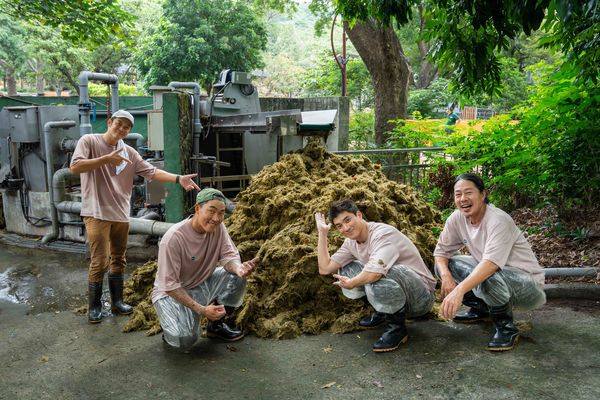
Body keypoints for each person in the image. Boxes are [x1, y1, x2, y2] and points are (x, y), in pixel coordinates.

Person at [70, 109, 200, 324]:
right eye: (118, 124)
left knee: (119, 259)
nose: (121, 129)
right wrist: (106, 159)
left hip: (120, 212)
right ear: (110, 122)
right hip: (96, 212)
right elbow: (75, 167)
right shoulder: (89, 141)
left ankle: (117, 302)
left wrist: (178, 179)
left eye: (127, 127)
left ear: (130, 130)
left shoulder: (129, 152)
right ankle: (94, 307)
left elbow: (151, 172)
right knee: (100, 261)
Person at [434, 173, 546, 351]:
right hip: (496, 276)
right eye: (458, 194)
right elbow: (440, 252)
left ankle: (506, 328)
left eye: (468, 192)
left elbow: (491, 265)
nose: (463, 199)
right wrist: (446, 277)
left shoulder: (498, 220)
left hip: (527, 285)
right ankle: (482, 310)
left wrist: (458, 291)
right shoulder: (456, 218)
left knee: (486, 275)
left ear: (483, 194)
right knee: (446, 266)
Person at [315, 200, 436, 353]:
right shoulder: (350, 243)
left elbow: (374, 273)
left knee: (377, 272)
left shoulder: (382, 234)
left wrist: (352, 283)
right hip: (399, 291)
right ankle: (384, 311)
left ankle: (397, 329)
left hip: (421, 299)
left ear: (359, 215)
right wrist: (322, 234)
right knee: (348, 267)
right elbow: (325, 268)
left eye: (348, 220)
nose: (345, 228)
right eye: (339, 226)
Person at [152, 187, 259, 352]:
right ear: (197, 208)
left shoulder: (219, 228)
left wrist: (238, 269)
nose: (216, 218)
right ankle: (171, 330)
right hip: (171, 294)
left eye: (222, 213)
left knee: (238, 276)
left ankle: (216, 326)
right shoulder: (174, 238)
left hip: (202, 282)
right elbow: (170, 285)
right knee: (185, 340)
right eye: (211, 211)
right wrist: (202, 310)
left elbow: (228, 256)